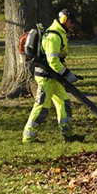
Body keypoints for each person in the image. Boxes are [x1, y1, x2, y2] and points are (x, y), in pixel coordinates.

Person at [22, 8, 85, 144]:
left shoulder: (59, 33)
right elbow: (52, 61)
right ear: (64, 20)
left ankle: (68, 134)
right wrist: (68, 74)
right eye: (71, 22)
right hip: (46, 77)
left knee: (64, 103)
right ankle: (28, 137)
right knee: (42, 108)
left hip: (54, 76)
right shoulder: (53, 36)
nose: (72, 25)